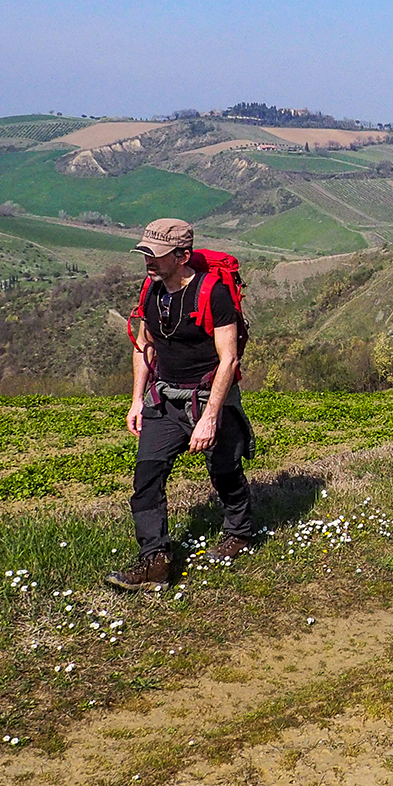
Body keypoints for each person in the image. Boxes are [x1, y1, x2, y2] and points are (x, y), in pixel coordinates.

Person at [106, 218, 258, 591]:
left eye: (156, 255)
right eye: (146, 254)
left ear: (183, 255)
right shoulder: (150, 290)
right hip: (164, 398)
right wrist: (137, 401)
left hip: (208, 396)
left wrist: (209, 418)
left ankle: (238, 532)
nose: (148, 261)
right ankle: (154, 561)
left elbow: (229, 360)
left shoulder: (214, 293)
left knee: (224, 470)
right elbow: (145, 346)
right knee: (146, 478)